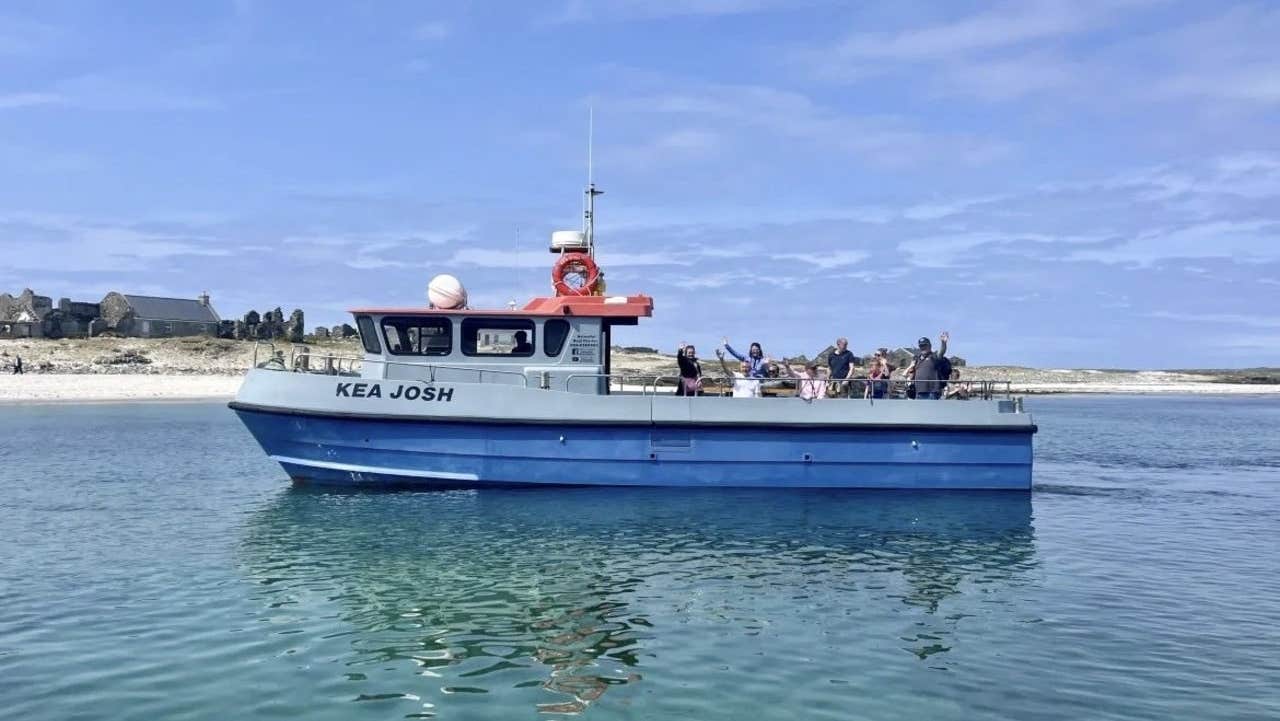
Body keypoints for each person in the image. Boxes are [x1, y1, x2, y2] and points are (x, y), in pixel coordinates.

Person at [905, 331, 949, 400]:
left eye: (925, 345)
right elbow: (910, 373)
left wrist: (943, 343)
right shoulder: (917, 359)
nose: (923, 347)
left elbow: (941, 352)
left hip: (932, 392)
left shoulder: (934, 356)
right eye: (921, 346)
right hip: (918, 391)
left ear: (930, 346)